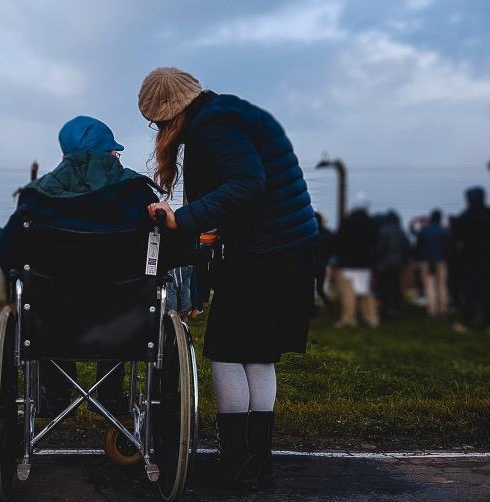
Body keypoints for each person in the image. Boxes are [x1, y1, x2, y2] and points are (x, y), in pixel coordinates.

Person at [138, 67, 317, 489]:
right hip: (285, 246)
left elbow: (247, 182)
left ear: (171, 114)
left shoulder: (213, 126)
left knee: (226, 350)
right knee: (257, 353)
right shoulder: (227, 113)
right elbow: (248, 187)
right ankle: (257, 460)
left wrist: (182, 220)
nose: (160, 130)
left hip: (265, 251)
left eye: (159, 123)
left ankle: (236, 459)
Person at [0, 115, 161, 416]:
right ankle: (110, 396)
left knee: (46, 301)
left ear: (64, 155)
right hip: (124, 322)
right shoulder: (137, 194)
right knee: (123, 297)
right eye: (115, 151)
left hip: (51, 321)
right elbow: (166, 251)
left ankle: (56, 394)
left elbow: (6, 252)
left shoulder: (36, 198)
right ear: (109, 153)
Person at [451, 187, 490, 333]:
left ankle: (466, 323)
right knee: (486, 292)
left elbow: (456, 237)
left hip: (469, 259)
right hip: (487, 257)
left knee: (469, 292)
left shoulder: (465, 216)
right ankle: (488, 323)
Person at [332, 194, 380, 328]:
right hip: (365, 264)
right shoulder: (371, 223)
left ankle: (349, 319)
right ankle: (371, 318)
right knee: (365, 291)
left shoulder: (347, 221)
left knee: (348, 292)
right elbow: (376, 243)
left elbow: (339, 242)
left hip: (348, 264)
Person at [413, 209, 451, 317]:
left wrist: (418, 259)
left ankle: (432, 310)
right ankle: (443, 309)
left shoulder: (424, 230)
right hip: (442, 261)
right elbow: (448, 248)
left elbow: (419, 247)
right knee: (442, 285)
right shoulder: (444, 231)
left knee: (429, 286)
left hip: (427, 261)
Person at [375, 210, 410, 320]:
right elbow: (407, 248)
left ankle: (385, 309)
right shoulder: (401, 231)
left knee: (384, 287)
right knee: (395, 286)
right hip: (398, 264)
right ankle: (395, 308)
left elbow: (379, 248)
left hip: (384, 264)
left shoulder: (383, 230)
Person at [312, 212, 334, 316]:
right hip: (322, 265)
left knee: (308, 289)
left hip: (310, 265)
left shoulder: (310, 233)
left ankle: (313, 310)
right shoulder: (327, 233)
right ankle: (330, 308)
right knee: (320, 289)